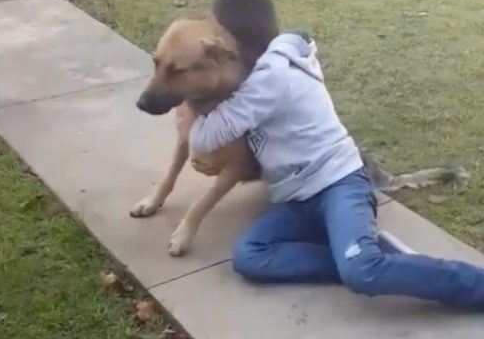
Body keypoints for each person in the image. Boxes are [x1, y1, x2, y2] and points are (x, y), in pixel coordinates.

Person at [190, 30, 484, 309]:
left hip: (340, 183)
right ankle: (360, 251)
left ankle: (474, 285)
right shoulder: (247, 87)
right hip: (298, 200)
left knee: (363, 272)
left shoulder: (270, 79)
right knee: (248, 255)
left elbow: (203, 137)